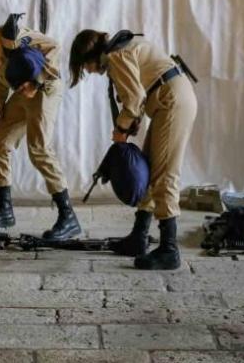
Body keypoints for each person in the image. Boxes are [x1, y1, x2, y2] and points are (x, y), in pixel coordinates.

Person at [69, 29, 197, 270]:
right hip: (168, 100)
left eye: (85, 66)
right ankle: (138, 237)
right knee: (151, 170)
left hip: (172, 102)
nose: (88, 71)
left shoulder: (117, 56)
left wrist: (121, 129)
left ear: (90, 56)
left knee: (164, 174)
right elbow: (139, 94)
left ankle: (169, 249)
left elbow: (134, 98)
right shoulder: (124, 46)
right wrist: (131, 121)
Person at [0, 9, 81, 239]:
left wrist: (36, 82)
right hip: (22, 93)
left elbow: (54, 47)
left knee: (38, 150)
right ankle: (4, 210)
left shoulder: (11, 36)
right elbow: (2, 78)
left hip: (44, 89)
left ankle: (68, 216)